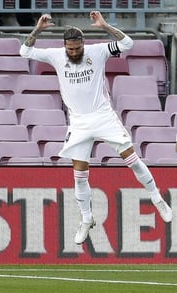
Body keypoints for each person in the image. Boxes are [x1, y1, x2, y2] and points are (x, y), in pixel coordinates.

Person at [20, 11, 173, 245]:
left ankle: (156, 198)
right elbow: (25, 51)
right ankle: (86, 218)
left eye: (76, 48)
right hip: (79, 122)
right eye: (70, 49)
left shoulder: (97, 51)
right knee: (79, 175)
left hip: (103, 116)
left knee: (131, 158)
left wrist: (105, 26)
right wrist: (38, 31)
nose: (73, 53)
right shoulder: (55, 55)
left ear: (83, 44)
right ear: (65, 47)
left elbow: (127, 43)